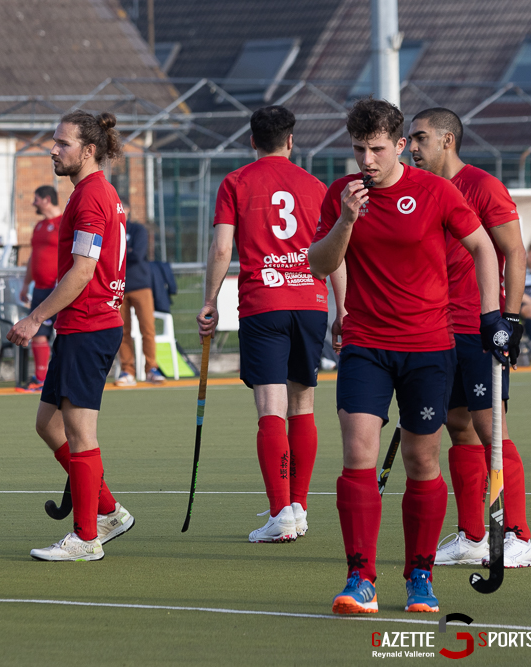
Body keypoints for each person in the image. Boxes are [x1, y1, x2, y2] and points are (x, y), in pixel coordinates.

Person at [308, 98, 507, 614]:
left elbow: (485, 247)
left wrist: (490, 316)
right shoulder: (342, 195)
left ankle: (419, 576)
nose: (366, 160)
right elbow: (319, 262)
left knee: (422, 459)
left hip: (429, 347)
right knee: (358, 455)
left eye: (377, 149)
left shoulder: (435, 191)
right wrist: (346, 220)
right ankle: (360, 580)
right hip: (365, 345)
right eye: (358, 149)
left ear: (400, 145)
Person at [408, 107, 531, 569]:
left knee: (490, 429)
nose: (413, 147)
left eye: (420, 138)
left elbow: (514, 252)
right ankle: (472, 536)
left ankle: (518, 536)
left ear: (447, 140)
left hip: (477, 329)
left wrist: (511, 319)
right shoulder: (420, 190)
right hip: (434, 330)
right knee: (457, 426)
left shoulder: (482, 186)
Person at [7, 110, 134, 562]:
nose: (53, 150)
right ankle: (108, 512)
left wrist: (35, 317)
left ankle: (86, 537)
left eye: (62, 143)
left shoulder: (92, 196)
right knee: (48, 423)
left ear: (89, 150)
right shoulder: (93, 193)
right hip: (82, 324)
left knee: (81, 432)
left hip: (90, 325)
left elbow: (84, 270)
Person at [198, 105, 329, 543]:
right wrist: (344, 311)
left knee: (270, 407)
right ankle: (298, 506)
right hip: (311, 301)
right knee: (303, 404)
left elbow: (221, 249)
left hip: (265, 302)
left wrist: (210, 300)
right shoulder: (316, 186)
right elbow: (336, 252)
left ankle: (280, 513)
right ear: (291, 141)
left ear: (252, 141)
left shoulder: (236, 183)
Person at [116, 203, 167, 387]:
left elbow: (137, 254)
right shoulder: (110, 229)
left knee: (147, 328)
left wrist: (118, 254)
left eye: (123, 207)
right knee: (122, 331)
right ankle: (127, 370)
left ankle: (151, 368)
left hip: (140, 285)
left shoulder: (137, 229)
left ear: (128, 210)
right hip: (118, 287)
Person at [19, 185, 62, 390]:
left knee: (62, 334)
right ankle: (40, 378)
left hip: (59, 290)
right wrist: (26, 284)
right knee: (37, 332)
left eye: (36, 199)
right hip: (39, 289)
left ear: (46, 200)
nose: (33, 203)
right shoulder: (38, 226)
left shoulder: (64, 222)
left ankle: (61, 377)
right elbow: (33, 258)